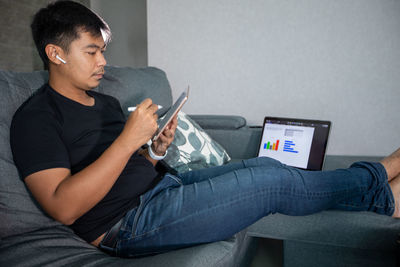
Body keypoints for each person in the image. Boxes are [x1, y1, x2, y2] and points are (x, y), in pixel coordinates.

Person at [10, 0, 399, 258]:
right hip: (124, 225)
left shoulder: (105, 102)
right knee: (270, 186)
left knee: (267, 166)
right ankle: (381, 176)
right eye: (91, 51)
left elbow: (130, 164)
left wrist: (155, 150)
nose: (103, 62)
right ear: (56, 53)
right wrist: (128, 140)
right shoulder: (36, 119)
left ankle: (385, 198)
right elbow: (62, 207)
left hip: (163, 185)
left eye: (103, 50)